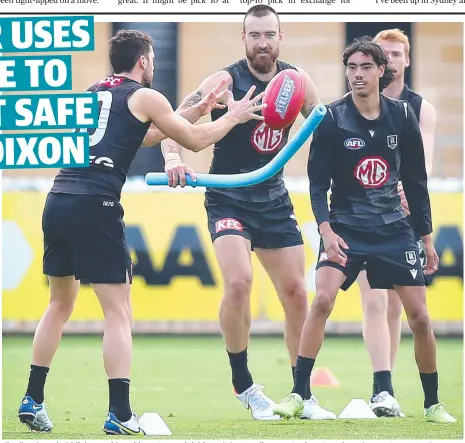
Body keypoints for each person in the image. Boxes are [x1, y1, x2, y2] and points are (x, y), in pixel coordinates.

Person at [17, 29, 266, 435]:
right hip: (96, 204)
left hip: (58, 199)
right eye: (151, 59)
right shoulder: (146, 95)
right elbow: (197, 143)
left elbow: (144, 134)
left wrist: (199, 108)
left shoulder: (94, 91)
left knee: (59, 304)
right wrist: (233, 116)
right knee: (118, 311)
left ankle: (33, 398)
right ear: (145, 61)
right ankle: (119, 412)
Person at [161, 5, 335, 421]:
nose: (262, 42)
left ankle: (302, 393)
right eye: (254, 35)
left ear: (280, 37)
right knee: (239, 282)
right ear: (244, 38)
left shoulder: (297, 81)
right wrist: (172, 159)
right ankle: (244, 385)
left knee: (296, 294)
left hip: (272, 196)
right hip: (228, 195)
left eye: (269, 34)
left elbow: (326, 130)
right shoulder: (223, 81)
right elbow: (169, 123)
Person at [273, 37, 456, 423]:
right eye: (351, 68)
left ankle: (433, 403)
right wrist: (325, 230)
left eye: (365, 67)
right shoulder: (331, 118)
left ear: (380, 71)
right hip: (345, 228)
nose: (357, 74)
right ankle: (298, 393)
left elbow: (416, 182)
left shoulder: (403, 115)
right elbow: (317, 182)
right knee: (321, 299)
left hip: (393, 230)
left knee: (420, 318)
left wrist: (425, 236)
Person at [353, 29, 437, 415]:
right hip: (362, 216)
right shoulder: (352, 106)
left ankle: (388, 387)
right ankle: (381, 387)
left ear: (404, 61)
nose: (387, 61)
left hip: (399, 218)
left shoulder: (419, 109)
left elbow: (424, 163)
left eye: (394, 54)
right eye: (380, 54)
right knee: (373, 301)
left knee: (399, 309)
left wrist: (409, 199)